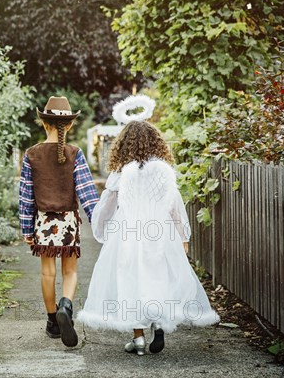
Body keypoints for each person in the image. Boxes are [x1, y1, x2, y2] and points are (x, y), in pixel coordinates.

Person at [77, 120, 219, 355]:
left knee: (131, 281)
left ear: (123, 145)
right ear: (156, 143)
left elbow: (107, 205)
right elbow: (175, 206)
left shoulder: (121, 172)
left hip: (128, 234)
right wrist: (183, 235)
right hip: (159, 232)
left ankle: (138, 338)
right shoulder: (163, 171)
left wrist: (100, 228)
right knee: (157, 278)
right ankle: (158, 324)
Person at [19, 96, 99, 347]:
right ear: (70, 126)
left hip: (44, 221)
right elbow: (87, 192)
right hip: (68, 222)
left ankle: (53, 320)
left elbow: (26, 195)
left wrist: (26, 227)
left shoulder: (32, 154)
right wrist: (98, 220)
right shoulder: (75, 153)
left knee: (47, 271)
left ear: (44, 124)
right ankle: (67, 305)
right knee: (70, 271)